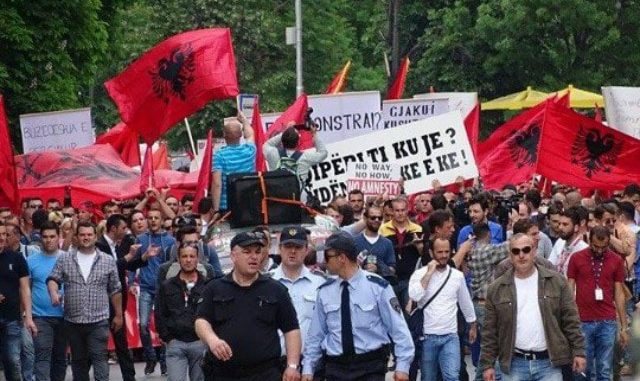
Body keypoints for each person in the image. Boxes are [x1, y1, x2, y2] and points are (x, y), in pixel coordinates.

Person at [302, 232, 414, 381]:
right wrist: (308, 368)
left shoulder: (377, 287)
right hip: (336, 367)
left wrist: (403, 366)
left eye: (328, 257)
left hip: (370, 366)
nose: (324, 262)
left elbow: (398, 328)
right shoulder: (325, 291)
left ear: (342, 258)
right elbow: (316, 334)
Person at [195, 231, 301, 381]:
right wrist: (212, 340)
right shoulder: (215, 288)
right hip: (223, 373)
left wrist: (292, 366)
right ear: (233, 256)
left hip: (264, 373)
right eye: (247, 252)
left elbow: (291, 329)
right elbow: (201, 321)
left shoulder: (275, 289)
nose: (254, 256)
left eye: (258, 252)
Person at [481, 233, 586, 381]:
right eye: (516, 251)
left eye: (526, 250)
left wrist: (579, 352)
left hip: (549, 363)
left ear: (534, 251)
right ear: (510, 255)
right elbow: (489, 331)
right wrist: (487, 365)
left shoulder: (556, 282)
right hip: (513, 364)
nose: (521, 255)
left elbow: (571, 319)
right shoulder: (496, 288)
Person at [47, 221, 122, 381]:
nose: (86, 238)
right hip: (73, 321)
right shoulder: (65, 258)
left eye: (89, 234)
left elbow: (115, 289)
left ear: (96, 236)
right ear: (76, 237)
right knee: (79, 363)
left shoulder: (107, 260)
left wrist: (119, 315)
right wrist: (53, 293)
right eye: (82, 234)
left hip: (98, 320)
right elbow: (53, 278)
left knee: (99, 358)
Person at [408, 237, 476, 381]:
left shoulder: (457, 276)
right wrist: (429, 273)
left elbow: (465, 302)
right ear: (431, 253)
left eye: (447, 251)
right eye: (440, 252)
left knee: (452, 376)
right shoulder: (419, 274)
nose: (444, 255)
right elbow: (415, 295)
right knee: (428, 377)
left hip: (450, 336)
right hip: (427, 337)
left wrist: (473, 325)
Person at [567, 226, 628, 381]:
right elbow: (569, 289)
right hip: (582, 320)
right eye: (595, 246)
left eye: (604, 247)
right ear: (589, 240)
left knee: (604, 369)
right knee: (582, 368)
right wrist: (569, 319)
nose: (600, 250)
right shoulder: (576, 258)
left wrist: (623, 326)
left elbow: (619, 293)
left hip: (607, 320)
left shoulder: (616, 260)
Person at [95, 214, 146, 381]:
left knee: (122, 345)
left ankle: (129, 377)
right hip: (102, 303)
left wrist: (142, 258)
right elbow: (107, 269)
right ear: (113, 228)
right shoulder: (99, 246)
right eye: (123, 228)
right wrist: (129, 256)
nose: (126, 231)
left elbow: (126, 266)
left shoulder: (117, 246)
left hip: (118, 302)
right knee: (97, 346)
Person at [269, 225, 326, 369]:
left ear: (306, 250)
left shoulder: (320, 283)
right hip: (273, 364)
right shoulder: (265, 283)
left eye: (298, 247)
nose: (293, 251)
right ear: (279, 249)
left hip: (311, 364)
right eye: (288, 246)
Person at [155, 243, 212, 381]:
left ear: (197, 259)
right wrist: (167, 337)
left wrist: (208, 338)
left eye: (192, 256)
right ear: (178, 259)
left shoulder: (208, 285)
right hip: (175, 343)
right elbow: (159, 312)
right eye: (184, 256)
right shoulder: (167, 286)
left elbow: (213, 313)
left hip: (200, 342)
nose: (188, 260)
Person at [135, 208, 176, 375]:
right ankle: (151, 357)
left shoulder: (170, 240)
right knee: (143, 324)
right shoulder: (141, 239)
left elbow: (173, 264)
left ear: (161, 220)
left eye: (156, 218)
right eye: (150, 218)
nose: (152, 220)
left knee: (165, 327)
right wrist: (131, 281)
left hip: (164, 289)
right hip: (146, 288)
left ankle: (165, 360)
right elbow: (134, 263)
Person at [27, 221, 66, 381]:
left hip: (65, 316)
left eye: (52, 236)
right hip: (40, 317)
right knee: (42, 357)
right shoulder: (31, 261)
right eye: (45, 237)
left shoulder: (69, 259)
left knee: (60, 358)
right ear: (40, 238)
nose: (48, 240)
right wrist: (27, 317)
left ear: (59, 237)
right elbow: (26, 290)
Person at [0, 220, 37, 381]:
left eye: (4, 234)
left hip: (12, 318)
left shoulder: (17, 258)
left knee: (13, 361)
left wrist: (28, 317)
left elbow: (25, 288)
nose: (2, 238)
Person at [380, 198, 423, 306]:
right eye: (397, 210)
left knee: (409, 313)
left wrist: (419, 247)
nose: (400, 213)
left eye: (403, 210)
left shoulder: (417, 229)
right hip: (390, 280)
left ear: (407, 210)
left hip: (410, 279)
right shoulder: (382, 230)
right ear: (392, 211)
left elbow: (423, 255)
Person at [263, 124, 328, 195]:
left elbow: (267, 144)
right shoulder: (306, 157)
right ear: (298, 143)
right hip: (298, 198)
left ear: (281, 142)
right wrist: (314, 134)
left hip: (276, 196)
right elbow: (323, 153)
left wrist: (285, 132)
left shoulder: (272, 153)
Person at [211, 112, 256, 217]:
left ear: (224, 135)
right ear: (241, 135)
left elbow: (217, 183)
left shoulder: (219, 155)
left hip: (227, 206)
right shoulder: (249, 150)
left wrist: (216, 209)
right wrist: (244, 120)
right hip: (249, 203)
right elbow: (250, 134)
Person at [353, 206, 396, 277]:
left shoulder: (387, 243)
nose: (376, 220)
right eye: (373, 218)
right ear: (365, 218)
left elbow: (392, 269)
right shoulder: (354, 242)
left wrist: (379, 268)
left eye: (380, 218)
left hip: (381, 285)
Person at [548, 207, 589, 276]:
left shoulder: (584, 249)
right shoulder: (559, 242)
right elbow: (549, 266)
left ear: (576, 228)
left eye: (565, 224)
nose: (560, 227)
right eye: (559, 224)